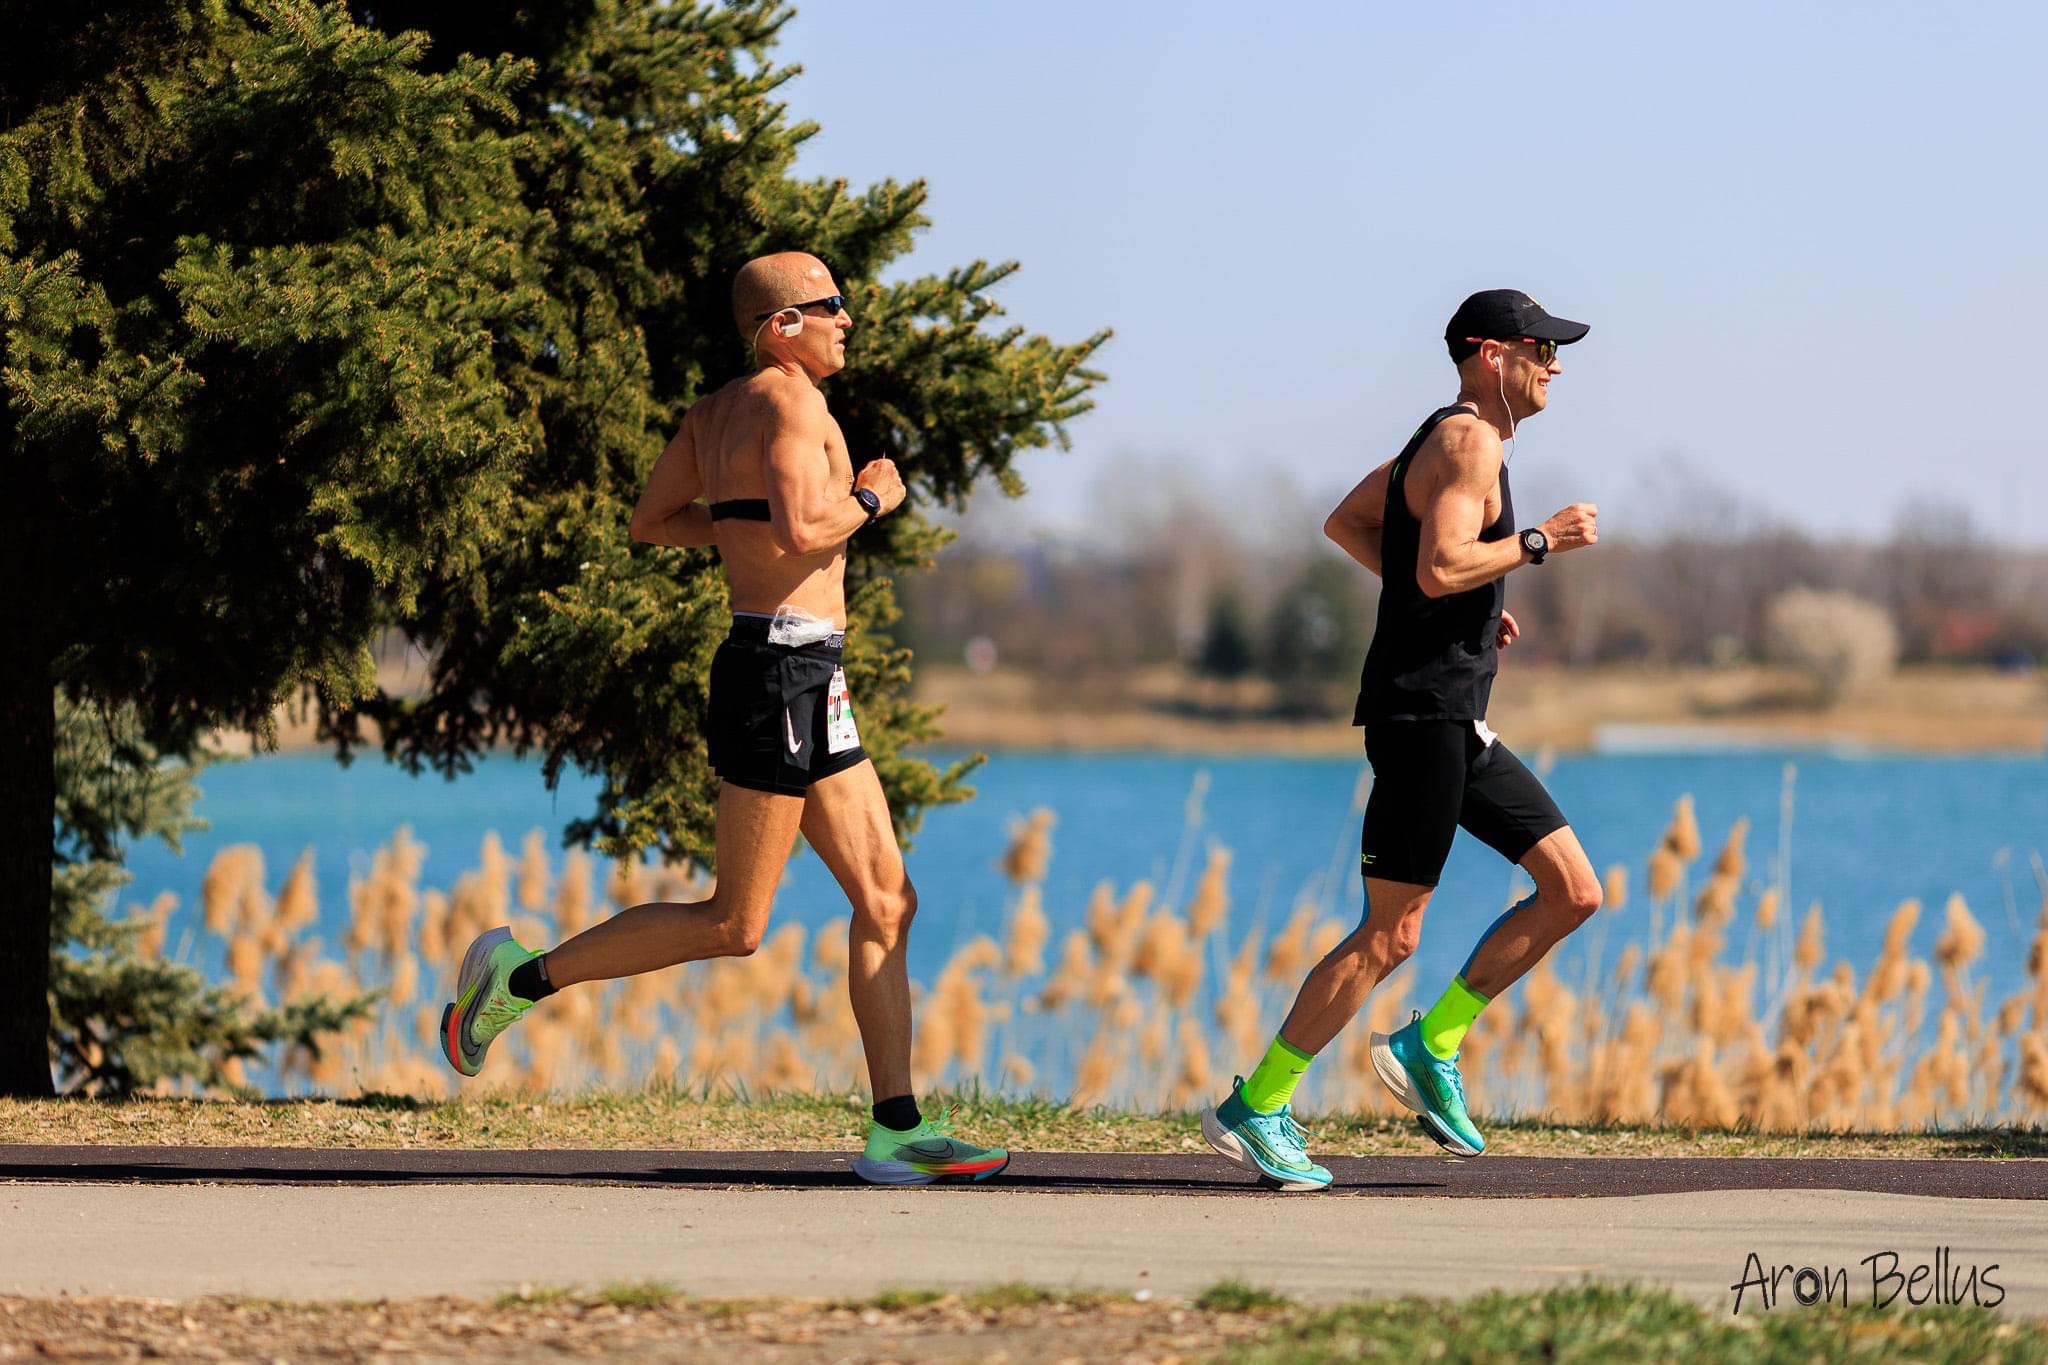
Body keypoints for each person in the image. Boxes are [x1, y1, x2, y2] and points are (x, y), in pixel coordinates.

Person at [436, 251, 1009, 1186]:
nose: (848, 320)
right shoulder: (792, 404)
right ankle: (514, 980)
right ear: (781, 325)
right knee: (735, 923)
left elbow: (654, 519)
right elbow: (801, 532)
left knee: (887, 899)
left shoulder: (713, 413)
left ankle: (897, 1128)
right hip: (776, 673)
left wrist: (744, 526)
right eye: (830, 306)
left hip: (804, 672)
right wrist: (872, 496)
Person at [1201, 289, 1603, 1189]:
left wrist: (1449, 600)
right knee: (1390, 935)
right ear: (1491, 354)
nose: (1557, 364)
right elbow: (1441, 560)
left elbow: (1352, 521)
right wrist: (1538, 541)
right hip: (1422, 715)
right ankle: (1255, 1105)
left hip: (1455, 715)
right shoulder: (1469, 440)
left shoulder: (1446, 439)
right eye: (1543, 347)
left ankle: (1433, 1042)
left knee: (1573, 891)